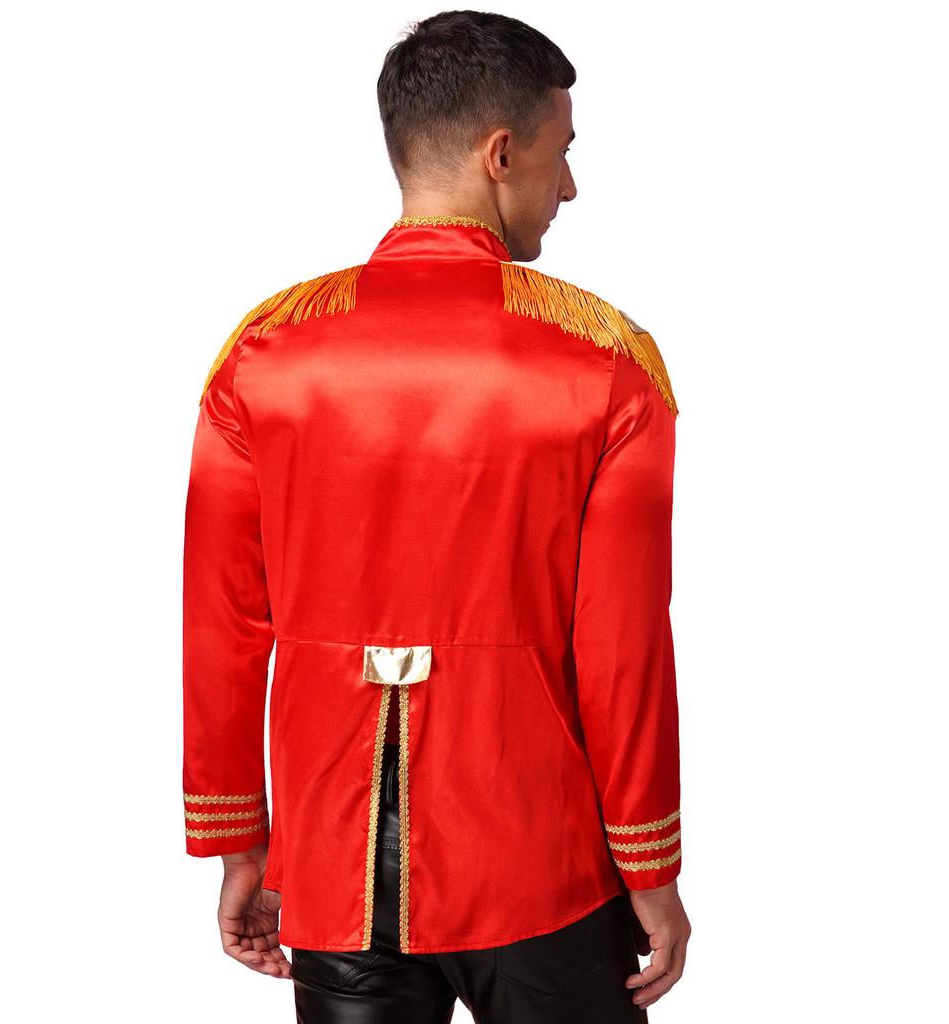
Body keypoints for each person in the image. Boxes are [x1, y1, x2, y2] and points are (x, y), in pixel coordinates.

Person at [181, 10, 691, 1022]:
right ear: (501, 155)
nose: (570, 186)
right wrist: (652, 868)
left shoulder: (265, 353)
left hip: (333, 867)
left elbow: (219, 625)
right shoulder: (604, 362)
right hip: (538, 865)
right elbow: (624, 647)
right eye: (562, 152)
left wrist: (243, 844)